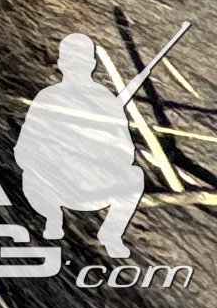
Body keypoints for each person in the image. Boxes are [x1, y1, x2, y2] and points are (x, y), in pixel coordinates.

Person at [18, 35, 143, 258]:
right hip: (61, 188)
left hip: (84, 188)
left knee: (134, 175)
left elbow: (124, 150)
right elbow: (26, 148)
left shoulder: (101, 98)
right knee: (134, 176)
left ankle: (108, 233)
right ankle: (54, 218)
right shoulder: (50, 97)